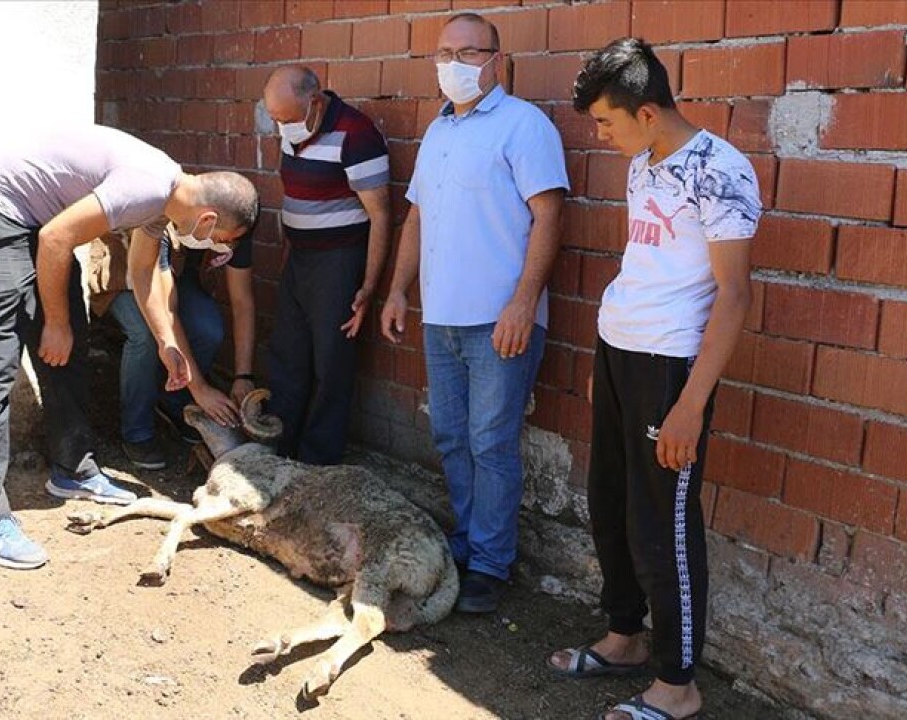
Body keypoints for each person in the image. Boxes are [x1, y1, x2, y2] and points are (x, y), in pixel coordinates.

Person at [547, 39, 759, 720]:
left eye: (606, 122)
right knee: (608, 503)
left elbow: (733, 296)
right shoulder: (644, 162)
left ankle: (677, 683)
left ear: (646, 110)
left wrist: (691, 404)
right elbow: (647, 264)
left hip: (670, 368)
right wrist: (601, 362)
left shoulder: (721, 170)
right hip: (619, 351)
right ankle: (624, 638)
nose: (601, 136)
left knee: (659, 524)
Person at [0, 124, 258, 570]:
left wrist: (166, 344)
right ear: (208, 220)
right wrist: (54, 322)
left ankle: (72, 470)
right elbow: (56, 239)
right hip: (0, 213)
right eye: (220, 240)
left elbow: (140, 275)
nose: (213, 247)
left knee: (70, 351)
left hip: (40, 225)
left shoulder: (167, 200)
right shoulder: (146, 188)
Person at [379, 13, 567, 614]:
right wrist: (398, 289)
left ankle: (490, 563)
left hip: (499, 320)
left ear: (497, 60)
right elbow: (416, 218)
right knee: (450, 435)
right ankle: (465, 542)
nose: (453, 64)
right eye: (444, 53)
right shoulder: (438, 132)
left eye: (467, 52)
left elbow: (549, 217)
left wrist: (522, 302)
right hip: (442, 317)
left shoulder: (524, 126)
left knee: (491, 442)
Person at [261, 65, 391, 465]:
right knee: (288, 354)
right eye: (276, 119)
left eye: (287, 118)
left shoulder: (356, 134)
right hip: (299, 257)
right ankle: (278, 449)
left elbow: (381, 215)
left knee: (331, 363)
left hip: (338, 261)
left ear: (314, 103)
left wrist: (368, 287)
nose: (282, 127)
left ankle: (317, 459)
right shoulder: (291, 130)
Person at [88, 226, 257, 469]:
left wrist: (243, 376)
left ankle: (173, 402)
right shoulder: (161, 217)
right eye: (222, 238)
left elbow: (242, 300)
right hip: (121, 267)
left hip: (172, 269)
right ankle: (137, 431)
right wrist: (200, 389)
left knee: (207, 329)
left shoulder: (239, 219)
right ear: (208, 217)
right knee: (145, 334)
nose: (225, 244)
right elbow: (167, 314)